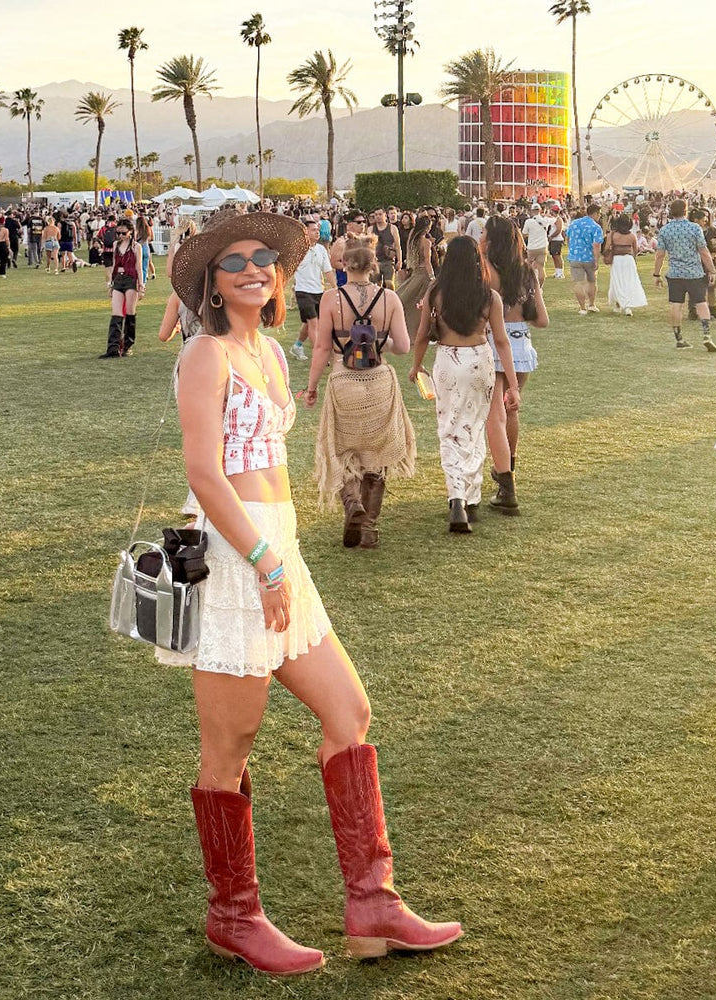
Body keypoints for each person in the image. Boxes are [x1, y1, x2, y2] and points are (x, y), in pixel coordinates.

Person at [165, 211, 463, 974]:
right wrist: (264, 562)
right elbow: (205, 472)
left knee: (348, 710)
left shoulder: (263, 348)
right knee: (229, 747)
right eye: (235, 262)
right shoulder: (205, 355)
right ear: (211, 279)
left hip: (278, 552)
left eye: (265, 259)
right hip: (238, 560)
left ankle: (374, 906)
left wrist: (281, 557)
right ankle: (232, 914)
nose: (254, 270)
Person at [304, 235, 415, 549]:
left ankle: (352, 502)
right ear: (374, 266)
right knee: (376, 457)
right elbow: (403, 347)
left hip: (343, 381)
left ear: (344, 264)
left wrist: (311, 388)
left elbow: (322, 348)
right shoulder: (389, 298)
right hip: (379, 383)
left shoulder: (330, 299)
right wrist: (378, 344)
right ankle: (369, 529)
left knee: (343, 451)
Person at [409, 236, 521, 533]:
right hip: (479, 361)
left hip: (447, 359)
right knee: (473, 429)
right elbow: (501, 341)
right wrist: (513, 384)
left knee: (449, 430)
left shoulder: (436, 292)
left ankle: (457, 497)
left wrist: (416, 365)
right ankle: (471, 498)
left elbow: (422, 334)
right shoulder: (489, 296)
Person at [481, 217, 549, 515]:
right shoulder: (527, 274)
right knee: (511, 410)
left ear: (492, 240)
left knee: (494, 413)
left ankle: (503, 478)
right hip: (522, 343)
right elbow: (542, 319)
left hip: (494, 342)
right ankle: (508, 470)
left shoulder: (487, 273)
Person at [653, 199, 716, 352]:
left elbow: (660, 255)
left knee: (676, 304)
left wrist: (656, 274)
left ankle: (679, 338)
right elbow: (703, 251)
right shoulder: (694, 228)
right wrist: (712, 270)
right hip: (694, 272)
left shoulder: (665, 230)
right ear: (685, 210)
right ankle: (707, 334)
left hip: (675, 273)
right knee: (701, 302)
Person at [99, 218, 144, 358]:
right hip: (118, 279)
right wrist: (111, 284)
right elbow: (113, 264)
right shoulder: (115, 245)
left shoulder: (136, 247)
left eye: (123, 233)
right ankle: (112, 348)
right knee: (116, 313)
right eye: (118, 233)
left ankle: (127, 346)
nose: (120, 236)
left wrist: (141, 285)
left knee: (130, 312)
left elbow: (139, 267)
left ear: (130, 232)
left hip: (131, 279)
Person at [290, 220, 333, 361]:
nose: (317, 232)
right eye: (313, 229)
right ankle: (319, 356)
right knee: (314, 323)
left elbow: (327, 271)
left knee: (309, 323)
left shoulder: (321, 250)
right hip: (303, 291)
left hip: (318, 291)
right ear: (305, 232)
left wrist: (336, 288)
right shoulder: (297, 250)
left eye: (318, 229)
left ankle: (297, 345)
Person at [395, 214, 436, 337]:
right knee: (420, 307)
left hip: (414, 272)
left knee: (408, 301)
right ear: (427, 227)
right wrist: (433, 278)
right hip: (423, 275)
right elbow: (428, 262)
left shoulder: (412, 239)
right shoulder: (426, 242)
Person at [605, 213, 647, 318]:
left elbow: (606, 248)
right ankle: (628, 306)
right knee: (629, 282)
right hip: (628, 260)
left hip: (617, 260)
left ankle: (618, 305)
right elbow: (636, 250)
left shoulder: (613, 235)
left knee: (617, 282)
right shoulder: (632, 236)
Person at [565, 205, 604, 315]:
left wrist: (571, 249)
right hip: (589, 258)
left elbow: (568, 238)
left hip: (575, 257)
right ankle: (591, 304)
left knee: (578, 283)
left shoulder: (574, 224)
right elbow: (596, 245)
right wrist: (597, 259)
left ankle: (582, 308)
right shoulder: (596, 227)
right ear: (595, 213)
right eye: (599, 214)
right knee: (592, 282)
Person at [522, 203, 551, 287]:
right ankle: (540, 287)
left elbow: (524, 234)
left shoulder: (528, 221)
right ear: (540, 210)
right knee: (541, 267)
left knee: (528, 267)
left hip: (531, 247)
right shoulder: (545, 220)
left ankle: (528, 285)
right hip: (542, 246)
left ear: (531, 211)